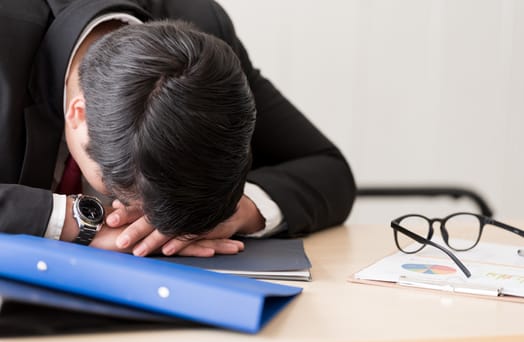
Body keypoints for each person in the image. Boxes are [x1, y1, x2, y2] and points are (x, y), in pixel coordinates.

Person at [0, 0, 356, 257]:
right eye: (125, 198)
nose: (143, 223)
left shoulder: (203, 44)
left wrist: (238, 211)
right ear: (80, 115)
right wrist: (73, 221)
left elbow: (328, 169)